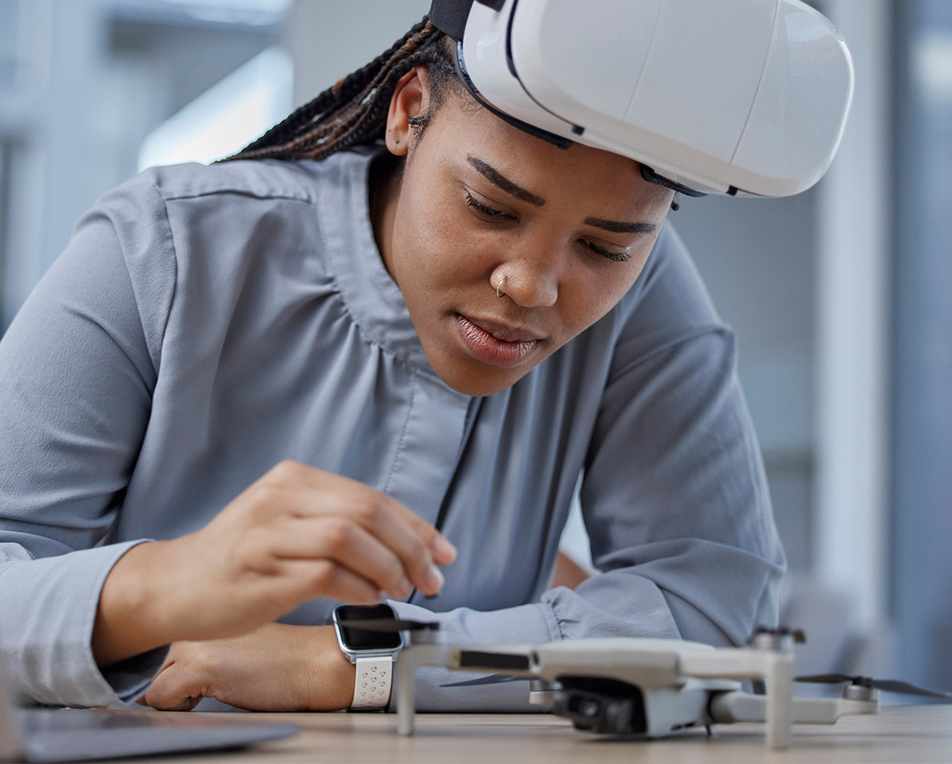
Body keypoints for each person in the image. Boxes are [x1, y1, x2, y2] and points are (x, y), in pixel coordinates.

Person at [0, 13, 785, 714]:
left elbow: (720, 617)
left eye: (606, 247)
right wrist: (169, 583)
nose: (531, 286)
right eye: (490, 207)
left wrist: (352, 663)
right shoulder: (161, 248)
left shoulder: (643, 296)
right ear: (409, 111)